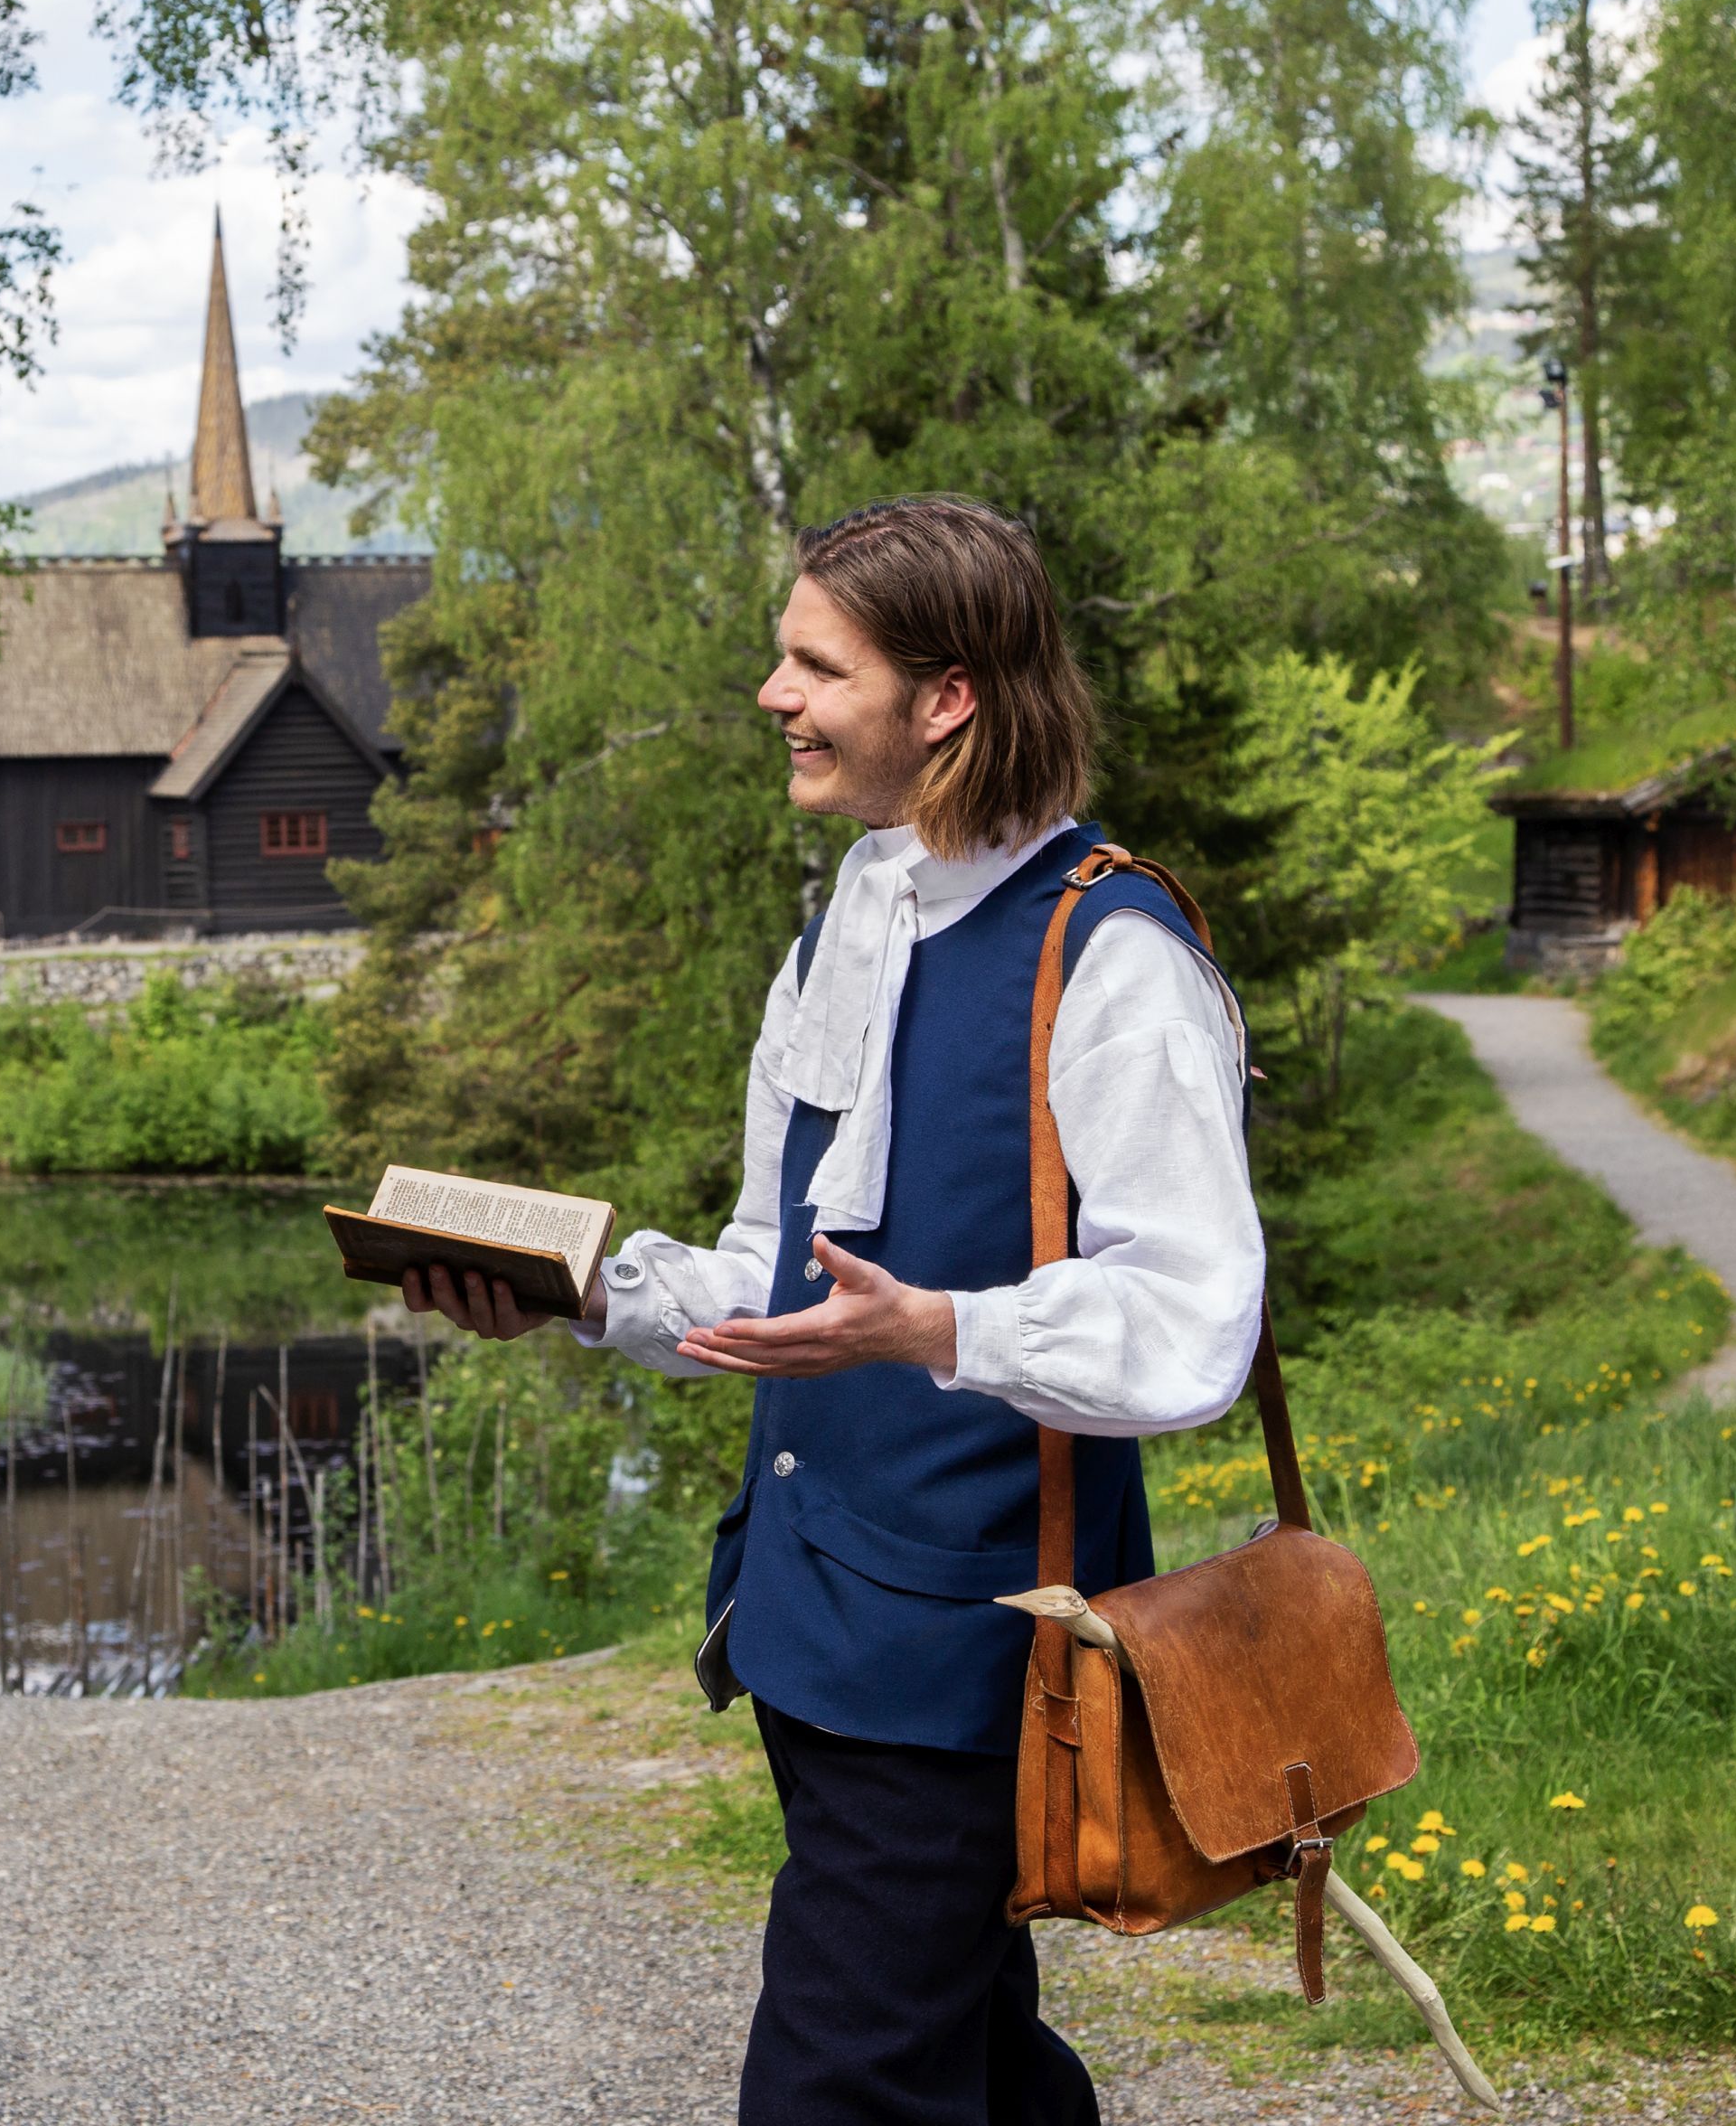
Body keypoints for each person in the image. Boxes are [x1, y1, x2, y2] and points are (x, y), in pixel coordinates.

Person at [406, 496, 1263, 2126]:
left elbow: (1190, 1325)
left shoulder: (1113, 952)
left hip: (972, 1645)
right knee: (971, 2056)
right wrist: (588, 1294)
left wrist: (939, 1330)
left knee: (842, 2087)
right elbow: (769, 1266)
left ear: (947, 699)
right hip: (804, 1614)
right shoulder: (847, 922)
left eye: (817, 663)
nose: (771, 693)